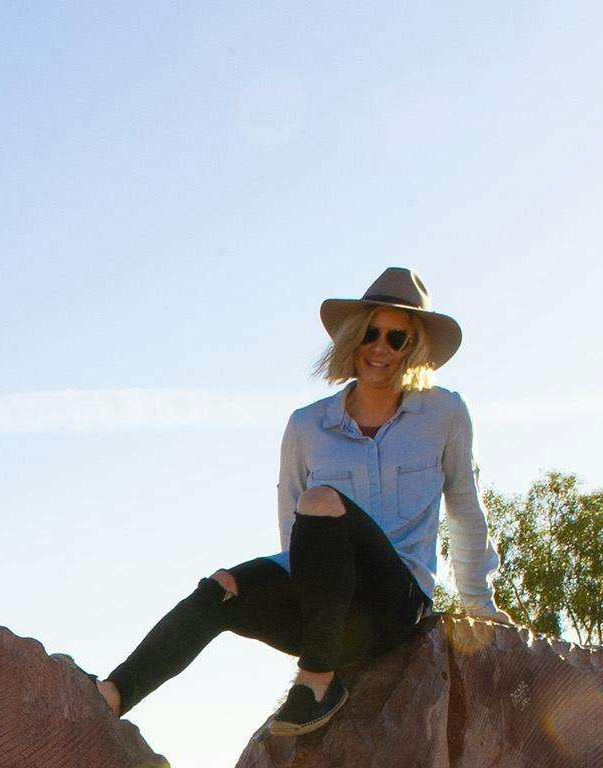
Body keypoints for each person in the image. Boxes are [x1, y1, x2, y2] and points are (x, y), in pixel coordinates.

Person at [99, 267, 505, 735]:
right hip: (327, 613)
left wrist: (479, 607)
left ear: (414, 348)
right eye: (372, 332)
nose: (381, 348)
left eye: (398, 338)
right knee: (221, 587)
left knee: (320, 501)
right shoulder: (307, 426)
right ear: (352, 339)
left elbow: (465, 508)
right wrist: (262, 590)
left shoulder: (444, 413)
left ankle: (316, 684)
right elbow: (296, 540)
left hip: (393, 607)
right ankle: (114, 694)